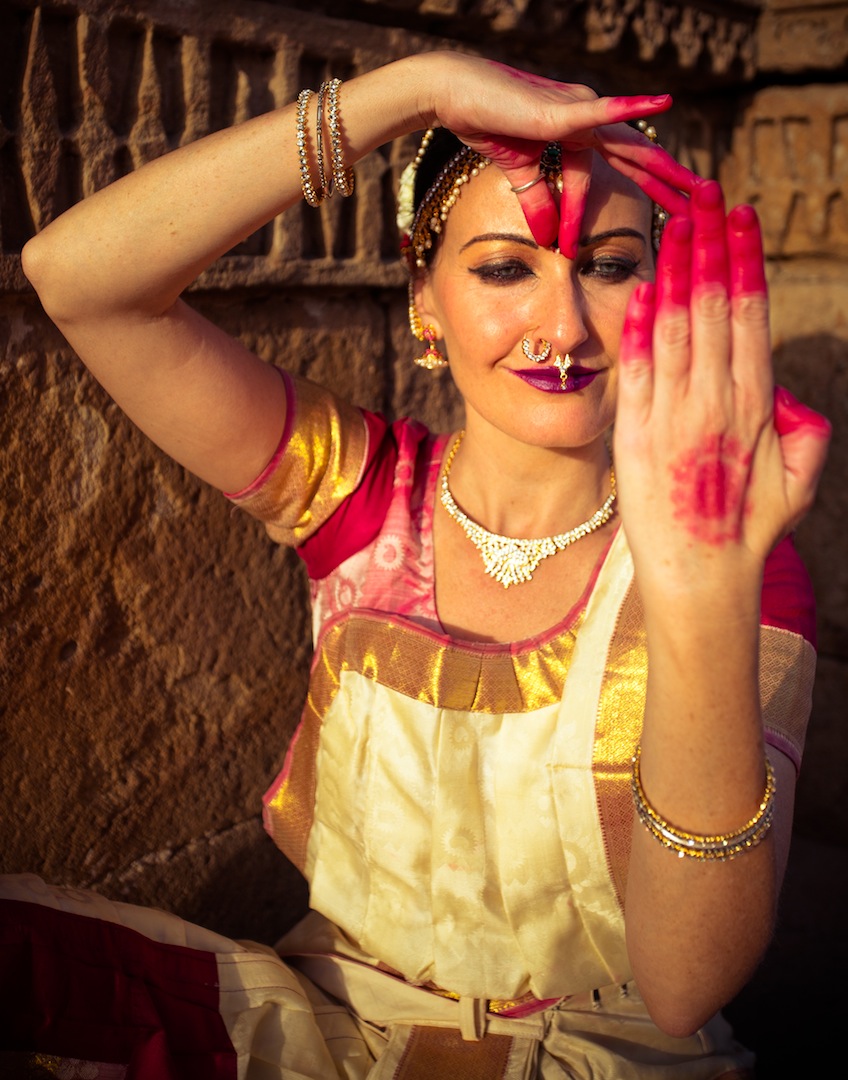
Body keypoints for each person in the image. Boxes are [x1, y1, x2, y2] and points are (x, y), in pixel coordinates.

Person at [2, 50, 831, 1079]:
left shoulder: (728, 568)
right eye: (501, 268)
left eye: (609, 265)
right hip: (324, 1032)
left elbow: (682, 988)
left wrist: (699, 590)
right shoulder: (361, 493)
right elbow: (77, 281)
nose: (562, 328)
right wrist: (412, 92)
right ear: (423, 298)